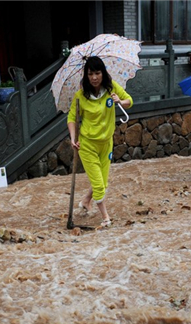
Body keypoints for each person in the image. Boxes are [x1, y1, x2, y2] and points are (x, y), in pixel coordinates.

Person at [68, 56, 133, 228]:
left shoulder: (112, 89)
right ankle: (105, 218)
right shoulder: (80, 96)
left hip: (106, 144)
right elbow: (72, 119)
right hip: (87, 145)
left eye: (97, 73)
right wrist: (73, 138)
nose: (94, 77)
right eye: (91, 74)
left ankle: (85, 201)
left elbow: (129, 101)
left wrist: (120, 101)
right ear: (86, 75)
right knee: (98, 184)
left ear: (103, 73)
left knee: (103, 182)